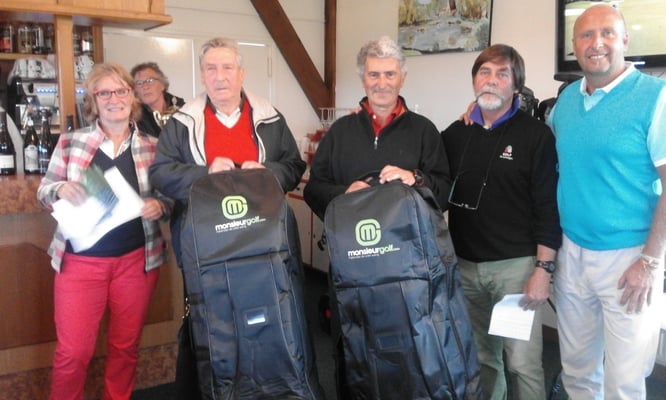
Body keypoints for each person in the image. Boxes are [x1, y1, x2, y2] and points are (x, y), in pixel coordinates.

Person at [148, 37, 307, 398]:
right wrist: (204, 173)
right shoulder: (182, 122)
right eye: (211, 68)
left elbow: (294, 165)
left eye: (227, 67)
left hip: (264, 244)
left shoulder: (269, 116)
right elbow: (161, 173)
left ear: (241, 73)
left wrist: (266, 172)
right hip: (207, 247)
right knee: (214, 326)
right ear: (202, 75)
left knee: (267, 319)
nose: (219, 76)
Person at [303, 35, 451, 399]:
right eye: (373, 74)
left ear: (402, 77)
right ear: (362, 78)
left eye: (389, 74)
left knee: (406, 350)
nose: (381, 82)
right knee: (350, 349)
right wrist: (343, 195)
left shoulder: (424, 131)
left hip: (408, 268)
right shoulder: (340, 132)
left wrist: (415, 179)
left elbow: (445, 191)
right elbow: (313, 188)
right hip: (351, 264)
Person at [548, 4, 666, 399]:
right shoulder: (566, 101)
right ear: (574, 46)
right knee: (578, 372)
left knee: (623, 382)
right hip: (572, 253)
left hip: (630, 259)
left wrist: (649, 262)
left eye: (607, 33)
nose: (596, 43)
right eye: (586, 35)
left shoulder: (656, 97)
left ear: (625, 41)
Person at [36, 63, 172, 400]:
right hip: (80, 264)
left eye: (121, 90)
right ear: (93, 102)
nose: (114, 99)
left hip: (136, 262)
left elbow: (171, 198)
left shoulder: (154, 147)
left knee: (125, 348)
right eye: (104, 93)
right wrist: (60, 189)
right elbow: (43, 191)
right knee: (73, 353)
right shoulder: (71, 143)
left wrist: (160, 206)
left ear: (132, 96)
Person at [441, 44, 561, 400]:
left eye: (502, 74)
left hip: (516, 270)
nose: (491, 81)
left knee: (522, 363)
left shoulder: (537, 136)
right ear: (474, 80)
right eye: (484, 72)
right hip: (465, 268)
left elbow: (548, 207)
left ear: (516, 85)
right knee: (481, 359)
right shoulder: (454, 134)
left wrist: (543, 269)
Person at [130, 62, 185, 137]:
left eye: (150, 81)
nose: (145, 87)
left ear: (162, 84)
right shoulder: (134, 118)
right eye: (139, 83)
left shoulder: (183, 108)